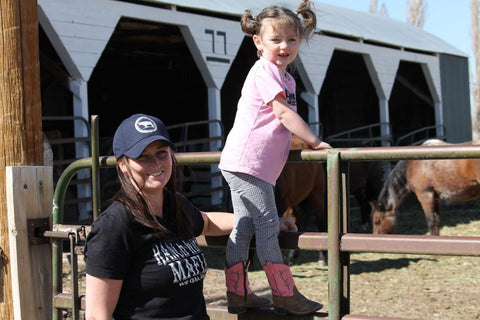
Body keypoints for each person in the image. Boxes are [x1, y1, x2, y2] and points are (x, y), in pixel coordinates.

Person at [84, 113, 297, 320]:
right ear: (123, 165)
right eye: (143, 157)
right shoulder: (115, 226)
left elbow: (208, 222)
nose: (157, 164)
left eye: (162, 153)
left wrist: (266, 223)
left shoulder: (174, 205)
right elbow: (96, 315)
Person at [218, 0, 332, 316]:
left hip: (251, 165)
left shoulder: (287, 79)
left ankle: (237, 293)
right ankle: (283, 293)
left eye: (291, 40)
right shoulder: (264, 71)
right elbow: (282, 113)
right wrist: (314, 141)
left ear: (300, 40)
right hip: (249, 163)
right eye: (275, 39)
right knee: (268, 227)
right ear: (258, 41)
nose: (284, 46)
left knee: (243, 227)